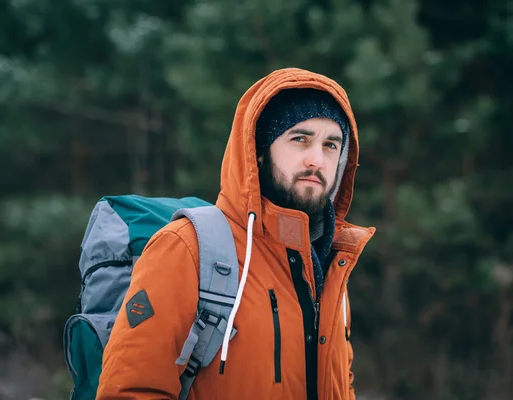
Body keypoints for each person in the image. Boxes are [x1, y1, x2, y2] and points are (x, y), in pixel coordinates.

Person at [96, 68, 375, 400]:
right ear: (260, 150)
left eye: (331, 145)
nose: (318, 158)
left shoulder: (331, 264)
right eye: (300, 139)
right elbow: (132, 391)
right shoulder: (188, 248)